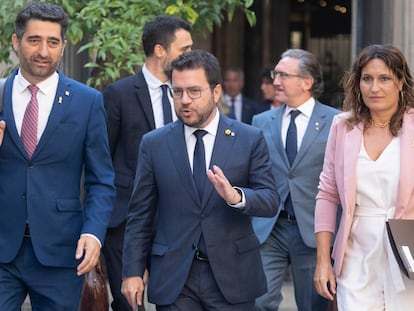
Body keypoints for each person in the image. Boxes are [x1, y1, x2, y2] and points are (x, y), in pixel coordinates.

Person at [121, 49, 279, 310]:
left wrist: (236, 197)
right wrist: (132, 271)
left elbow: (270, 200)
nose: (184, 100)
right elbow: (140, 213)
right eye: (178, 91)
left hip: (233, 276)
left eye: (194, 91)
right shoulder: (154, 143)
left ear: (216, 92)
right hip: (175, 277)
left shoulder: (249, 138)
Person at [0, 2, 115, 310]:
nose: (43, 51)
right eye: (34, 40)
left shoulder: (87, 102)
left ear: (63, 46)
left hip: (62, 251)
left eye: (52, 42)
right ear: (16, 41)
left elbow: (101, 180)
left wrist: (93, 232)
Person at [102, 14, 192, 310]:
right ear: (160, 51)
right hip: (126, 221)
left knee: (177, 301)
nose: (191, 55)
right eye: (184, 49)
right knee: (129, 304)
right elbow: (102, 160)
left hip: (177, 220)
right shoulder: (119, 94)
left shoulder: (190, 95)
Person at [314, 44, 414, 310]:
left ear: (401, 82)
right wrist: (324, 261)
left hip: (408, 248)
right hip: (356, 251)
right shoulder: (342, 126)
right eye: (367, 79)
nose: (374, 88)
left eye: (384, 79)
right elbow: (327, 194)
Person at [252, 48, 340, 311]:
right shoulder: (260, 120)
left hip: (314, 231)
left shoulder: (337, 121)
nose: (275, 81)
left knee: (312, 304)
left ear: (307, 82)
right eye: (275, 74)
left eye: (283, 75)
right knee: (259, 302)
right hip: (270, 228)